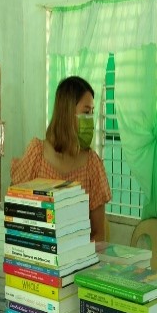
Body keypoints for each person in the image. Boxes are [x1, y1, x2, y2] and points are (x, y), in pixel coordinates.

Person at [11, 76, 112, 241]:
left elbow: (99, 234)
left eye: (92, 112)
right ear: (66, 113)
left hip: (80, 260)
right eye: (86, 112)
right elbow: (15, 215)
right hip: (37, 256)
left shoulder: (92, 163)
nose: (91, 120)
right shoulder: (36, 154)